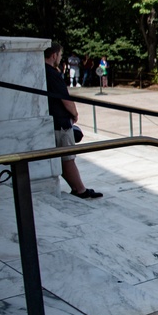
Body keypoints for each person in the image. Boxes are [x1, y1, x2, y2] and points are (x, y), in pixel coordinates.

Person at [43, 43, 103, 199]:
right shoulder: (52, 74)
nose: (60, 58)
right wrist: (74, 113)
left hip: (51, 120)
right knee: (68, 158)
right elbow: (65, 99)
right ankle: (80, 190)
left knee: (65, 158)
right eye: (60, 55)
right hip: (60, 123)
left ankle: (78, 188)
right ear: (54, 55)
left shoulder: (41, 71)